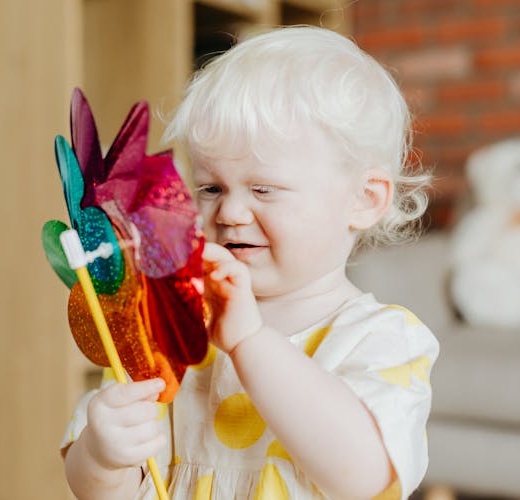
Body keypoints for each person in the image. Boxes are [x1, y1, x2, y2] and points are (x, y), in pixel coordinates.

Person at [61, 25, 439, 500]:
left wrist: (249, 342)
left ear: (363, 199)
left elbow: (362, 476)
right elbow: (98, 490)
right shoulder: (167, 327)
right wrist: (102, 455)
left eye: (263, 189)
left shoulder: (382, 338)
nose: (231, 213)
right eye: (211, 188)